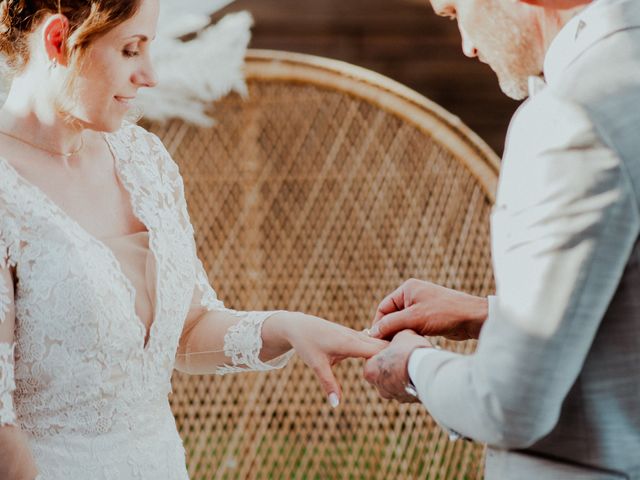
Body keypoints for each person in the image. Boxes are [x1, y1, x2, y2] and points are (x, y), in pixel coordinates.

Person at [0, 1, 386, 478]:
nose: (150, 75)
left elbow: (185, 331)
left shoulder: (144, 160)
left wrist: (286, 326)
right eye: (130, 50)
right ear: (59, 40)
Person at [363, 0, 640, 478]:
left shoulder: (570, 117)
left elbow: (509, 406)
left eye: (454, 12)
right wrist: (491, 314)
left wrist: (413, 368)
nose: (468, 47)